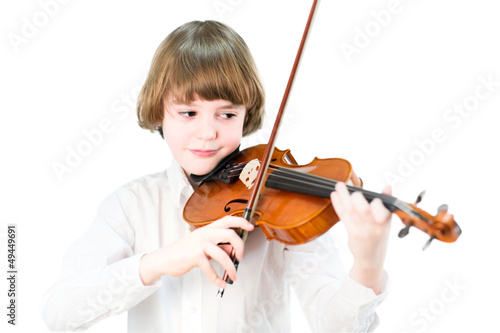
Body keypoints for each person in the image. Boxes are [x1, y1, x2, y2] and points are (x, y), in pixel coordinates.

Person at [41, 20, 392, 332]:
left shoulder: (282, 209)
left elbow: (336, 326)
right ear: (159, 111)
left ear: (245, 114)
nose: (207, 132)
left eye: (226, 114)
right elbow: (59, 313)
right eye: (188, 112)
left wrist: (368, 264)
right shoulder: (132, 205)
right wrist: (159, 261)